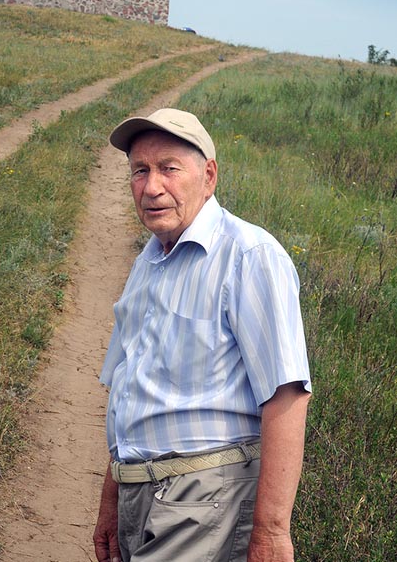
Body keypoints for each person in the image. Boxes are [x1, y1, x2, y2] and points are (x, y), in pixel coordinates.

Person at [93, 108, 312, 562]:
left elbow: (286, 394)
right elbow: (131, 394)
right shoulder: (148, 263)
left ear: (208, 176)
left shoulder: (249, 255)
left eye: (169, 169)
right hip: (139, 492)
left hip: (205, 497)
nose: (152, 187)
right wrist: (112, 497)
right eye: (139, 171)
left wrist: (272, 532)